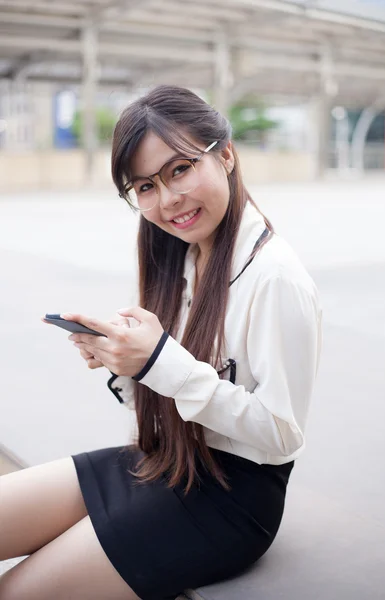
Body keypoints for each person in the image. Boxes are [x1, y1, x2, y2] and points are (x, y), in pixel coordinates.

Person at [0, 85, 322, 600]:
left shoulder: (275, 277)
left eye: (180, 169)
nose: (168, 200)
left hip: (229, 501)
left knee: (16, 591)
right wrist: (128, 365)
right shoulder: (179, 256)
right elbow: (171, 390)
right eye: (145, 186)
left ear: (228, 156)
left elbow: (282, 435)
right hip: (167, 461)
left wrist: (160, 363)